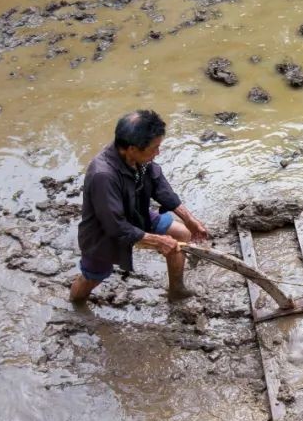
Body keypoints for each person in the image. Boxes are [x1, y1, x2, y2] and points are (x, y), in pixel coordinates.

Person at [70, 110, 209, 303]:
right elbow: (115, 226)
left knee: (182, 233)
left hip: (136, 214)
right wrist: (159, 241)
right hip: (104, 232)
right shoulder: (103, 175)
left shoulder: (139, 159)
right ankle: (76, 304)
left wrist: (189, 218)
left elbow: (159, 184)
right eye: (154, 148)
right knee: (93, 277)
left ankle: (176, 289)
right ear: (132, 148)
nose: (157, 153)